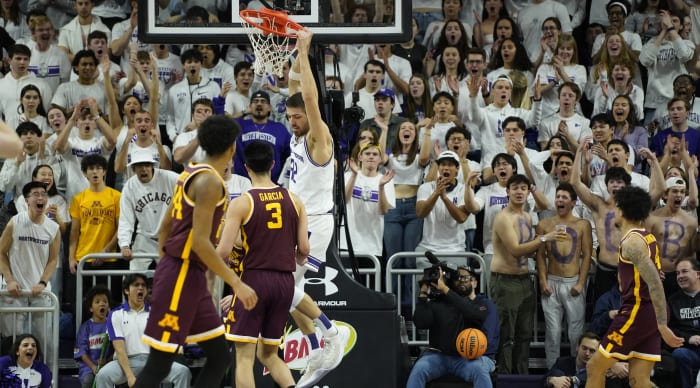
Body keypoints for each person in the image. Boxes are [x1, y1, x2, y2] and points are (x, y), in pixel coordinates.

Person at [132, 115, 256, 388]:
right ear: (232, 147)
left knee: (219, 356)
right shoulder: (210, 182)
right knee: (159, 364)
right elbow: (200, 242)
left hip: (189, 275)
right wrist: (236, 283)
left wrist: (177, 266)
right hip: (181, 274)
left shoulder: (189, 171)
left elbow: (165, 227)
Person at [285, 27, 351, 388]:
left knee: (282, 288)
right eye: (290, 117)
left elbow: (309, 97)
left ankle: (329, 335)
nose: (293, 121)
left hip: (315, 225)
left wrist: (307, 51)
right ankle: (316, 346)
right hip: (297, 222)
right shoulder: (298, 137)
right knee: (287, 296)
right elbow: (296, 87)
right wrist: (297, 54)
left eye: (298, 117)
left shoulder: (318, 137)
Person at [217, 140, 310, 388]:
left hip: (254, 281)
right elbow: (304, 250)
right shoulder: (294, 199)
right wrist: (296, 257)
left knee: (244, 358)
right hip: (284, 283)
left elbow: (224, 252)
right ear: (273, 164)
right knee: (269, 354)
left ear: (245, 168)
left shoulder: (242, 202)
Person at [586, 186, 684, 388]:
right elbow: (651, 275)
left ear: (621, 210)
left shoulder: (632, 241)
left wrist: (663, 324)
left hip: (637, 311)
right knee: (640, 381)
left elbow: (655, 282)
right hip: (647, 313)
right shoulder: (646, 236)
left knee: (595, 367)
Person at [490, 174, 565, 374]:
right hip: (505, 281)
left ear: (528, 192)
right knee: (507, 335)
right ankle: (504, 377)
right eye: (515, 188)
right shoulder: (503, 217)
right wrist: (543, 239)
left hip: (525, 279)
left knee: (524, 335)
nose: (519, 192)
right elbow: (515, 249)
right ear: (507, 191)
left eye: (523, 188)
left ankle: (521, 376)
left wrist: (552, 249)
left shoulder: (526, 216)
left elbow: (529, 248)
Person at [406, 266, 499, 388]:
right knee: (419, 368)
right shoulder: (439, 302)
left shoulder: (481, 304)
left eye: (465, 278)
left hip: (469, 359)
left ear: (475, 282)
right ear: (452, 283)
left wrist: (445, 290)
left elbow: (472, 313)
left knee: (479, 370)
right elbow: (421, 323)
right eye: (458, 278)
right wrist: (423, 292)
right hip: (440, 356)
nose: (461, 281)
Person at [95, 274, 191, 388]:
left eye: (143, 285)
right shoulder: (115, 314)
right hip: (126, 362)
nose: (140, 288)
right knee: (102, 375)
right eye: (136, 285)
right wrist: (130, 376)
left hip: (152, 362)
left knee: (183, 372)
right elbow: (119, 348)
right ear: (127, 290)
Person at [535, 183, 592, 369]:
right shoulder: (544, 224)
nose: (559, 199)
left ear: (574, 202)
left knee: (576, 333)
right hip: (551, 282)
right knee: (553, 332)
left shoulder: (583, 224)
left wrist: (581, 283)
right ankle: (554, 373)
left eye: (564, 197)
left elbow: (587, 256)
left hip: (573, 282)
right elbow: (540, 256)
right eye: (558, 196)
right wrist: (543, 281)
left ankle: (578, 373)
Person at [0, 181, 60, 354]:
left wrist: (42, 282)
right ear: (26, 200)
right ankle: (9, 379)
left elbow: (53, 261)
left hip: (41, 292)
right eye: (36, 194)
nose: (40, 197)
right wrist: (10, 280)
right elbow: (1, 253)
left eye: (44, 194)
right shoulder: (15, 222)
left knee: (44, 341)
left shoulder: (53, 228)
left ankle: (46, 378)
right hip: (14, 291)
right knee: (11, 341)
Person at [117, 148, 179, 271]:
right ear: (133, 168)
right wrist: (124, 244)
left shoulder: (169, 178)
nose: (144, 169)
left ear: (152, 166)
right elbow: (126, 218)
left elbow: (190, 185)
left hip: (170, 237)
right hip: (145, 238)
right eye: (139, 166)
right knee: (133, 277)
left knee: (172, 278)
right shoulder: (129, 187)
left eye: (146, 165)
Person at [667, 258, 700, 388]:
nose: (680, 276)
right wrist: (688, 338)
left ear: (698, 274)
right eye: (677, 273)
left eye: (684, 271)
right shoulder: (672, 300)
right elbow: (668, 329)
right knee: (679, 354)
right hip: (689, 350)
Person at [74, 285, 112, 388]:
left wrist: (107, 361)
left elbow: (118, 348)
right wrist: (93, 367)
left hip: (108, 364)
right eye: (97, 302)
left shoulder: (112, 324)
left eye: (105, 301)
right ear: (91, 308)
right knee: (88, 381)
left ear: (108, 306)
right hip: (88, 367)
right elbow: (82, 352)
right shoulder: (86, 327)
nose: (102, 304)